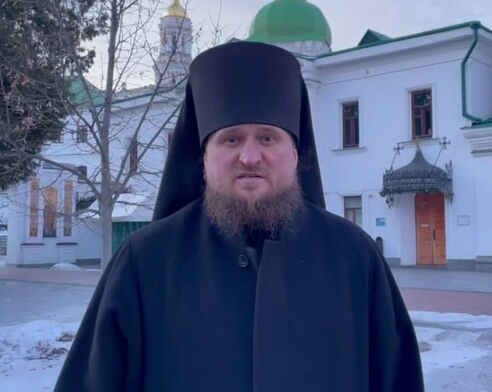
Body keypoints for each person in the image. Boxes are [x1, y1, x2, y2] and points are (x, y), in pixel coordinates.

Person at [55, 41, 424, 391]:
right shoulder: (143, 262)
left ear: (296, 154)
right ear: (204, 157)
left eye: (268, 138)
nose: (249, 156)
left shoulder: (355, 257)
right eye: (231, 139)